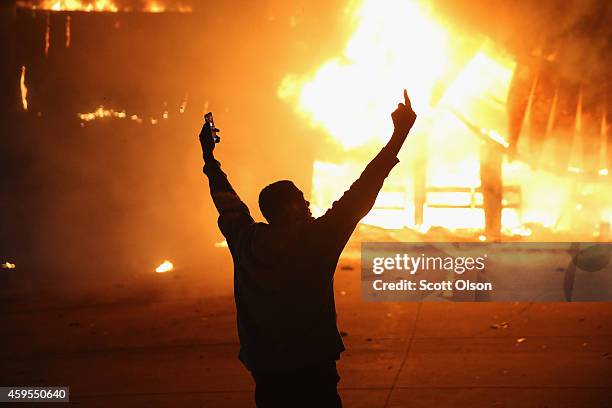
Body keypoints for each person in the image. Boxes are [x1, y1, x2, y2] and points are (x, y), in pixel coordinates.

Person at [199, 90, 417, 407]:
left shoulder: (245, 241)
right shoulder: (317, 241)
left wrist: (209, 157)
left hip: (267, 373)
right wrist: (399, 134)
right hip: (312, 370)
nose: (309, 204)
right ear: (290, 210)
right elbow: (364, 188)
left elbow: (226, 201)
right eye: (302, 200)